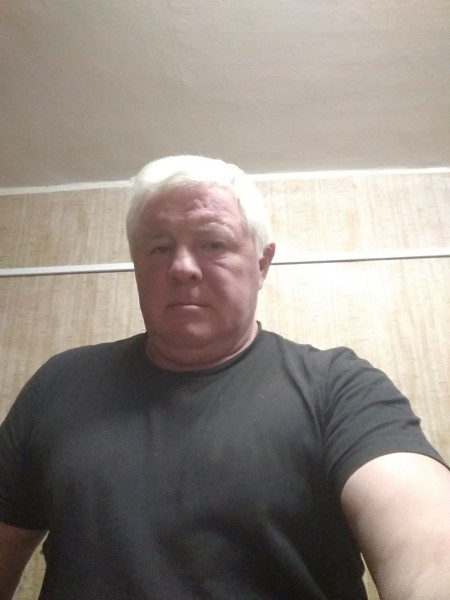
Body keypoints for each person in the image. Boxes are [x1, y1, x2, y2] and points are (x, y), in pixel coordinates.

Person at [0, 155, 449, 600]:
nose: (182, 267)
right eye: (159, 248)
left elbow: (429, 549)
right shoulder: (60, 384)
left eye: (213, 243)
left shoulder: (339, 388)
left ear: (262, 264)